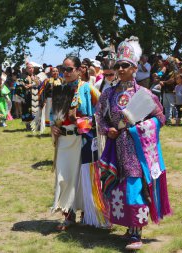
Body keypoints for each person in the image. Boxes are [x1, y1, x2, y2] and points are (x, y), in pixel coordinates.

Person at [96, 37, 171, 250]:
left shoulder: (144, 94)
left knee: (134, 188)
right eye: (117, 65)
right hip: (114, 149)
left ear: (135, 68)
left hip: (137, 150)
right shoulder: (108, 94)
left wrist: (140, 129)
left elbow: (161, 118)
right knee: (118, 187)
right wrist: (106, 130)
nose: (120, 69)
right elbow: (99, 117)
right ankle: (129, 228)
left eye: (124, 65)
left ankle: (137, 234)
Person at [51, 56, 108, 231]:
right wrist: (53, 127)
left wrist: (85, 122)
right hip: (64, 140)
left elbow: (103, 110)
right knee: (64, 177)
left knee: (84, 178)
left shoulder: (87, 88)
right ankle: (68, 214)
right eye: (63, 69)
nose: (65, 72)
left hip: (83, 139)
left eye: (69, 69)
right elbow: (54, 116)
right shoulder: (59, 90)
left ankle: (87, 213)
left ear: (78, 70)